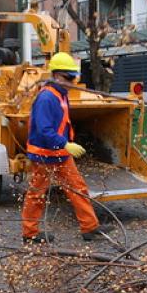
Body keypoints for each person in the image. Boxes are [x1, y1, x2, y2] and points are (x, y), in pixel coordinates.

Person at [21, 52, 113, 244]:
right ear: (55, 75)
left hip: (59, 153)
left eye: (73, 77)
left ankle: (90, 228)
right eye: (68, 77)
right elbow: (44, 129)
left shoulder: (61, 95)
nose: (72, 81)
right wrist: (65, 143)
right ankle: (30, 234)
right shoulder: (46, 98)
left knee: (78, 189)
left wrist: (65, 145)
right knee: (37, 194)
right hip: (44, 154)